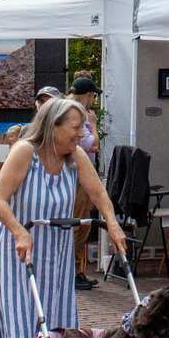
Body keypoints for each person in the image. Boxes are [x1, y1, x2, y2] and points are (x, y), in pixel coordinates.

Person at [0, 96, 128, 338]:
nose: (81, 135)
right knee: (19, 325)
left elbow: (98, 194)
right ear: (54, 125)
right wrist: (20, 231)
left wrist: (111, 222)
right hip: (16, 249)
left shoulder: (74, 157)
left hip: (56, 253)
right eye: (76, 128)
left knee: (51, 328)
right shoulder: (25, 152)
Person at [68, 75, 101, 290]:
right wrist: (94, 124)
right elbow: (93, 144)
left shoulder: (64, 108)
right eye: (93, 96)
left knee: (79, 222)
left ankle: (77, 271)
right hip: (79, 174)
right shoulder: (79, 113)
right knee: (81, 222)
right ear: (88, 95)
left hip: (73, 173)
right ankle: (71, 271)